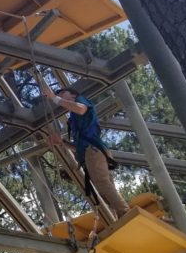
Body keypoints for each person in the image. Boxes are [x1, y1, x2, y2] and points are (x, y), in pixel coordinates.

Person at [41, 85, 130, 221]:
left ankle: (124, 212)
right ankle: (115, 217)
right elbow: (78, 147)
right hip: (93, 150)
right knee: (105, 186)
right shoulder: (74, 118)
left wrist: (54, 98)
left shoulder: (81, 100)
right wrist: (62, 142)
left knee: (102, 183)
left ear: (72, 95)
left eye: (62, 93)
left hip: (93, 150)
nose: (60, 95)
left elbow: (81, 109)